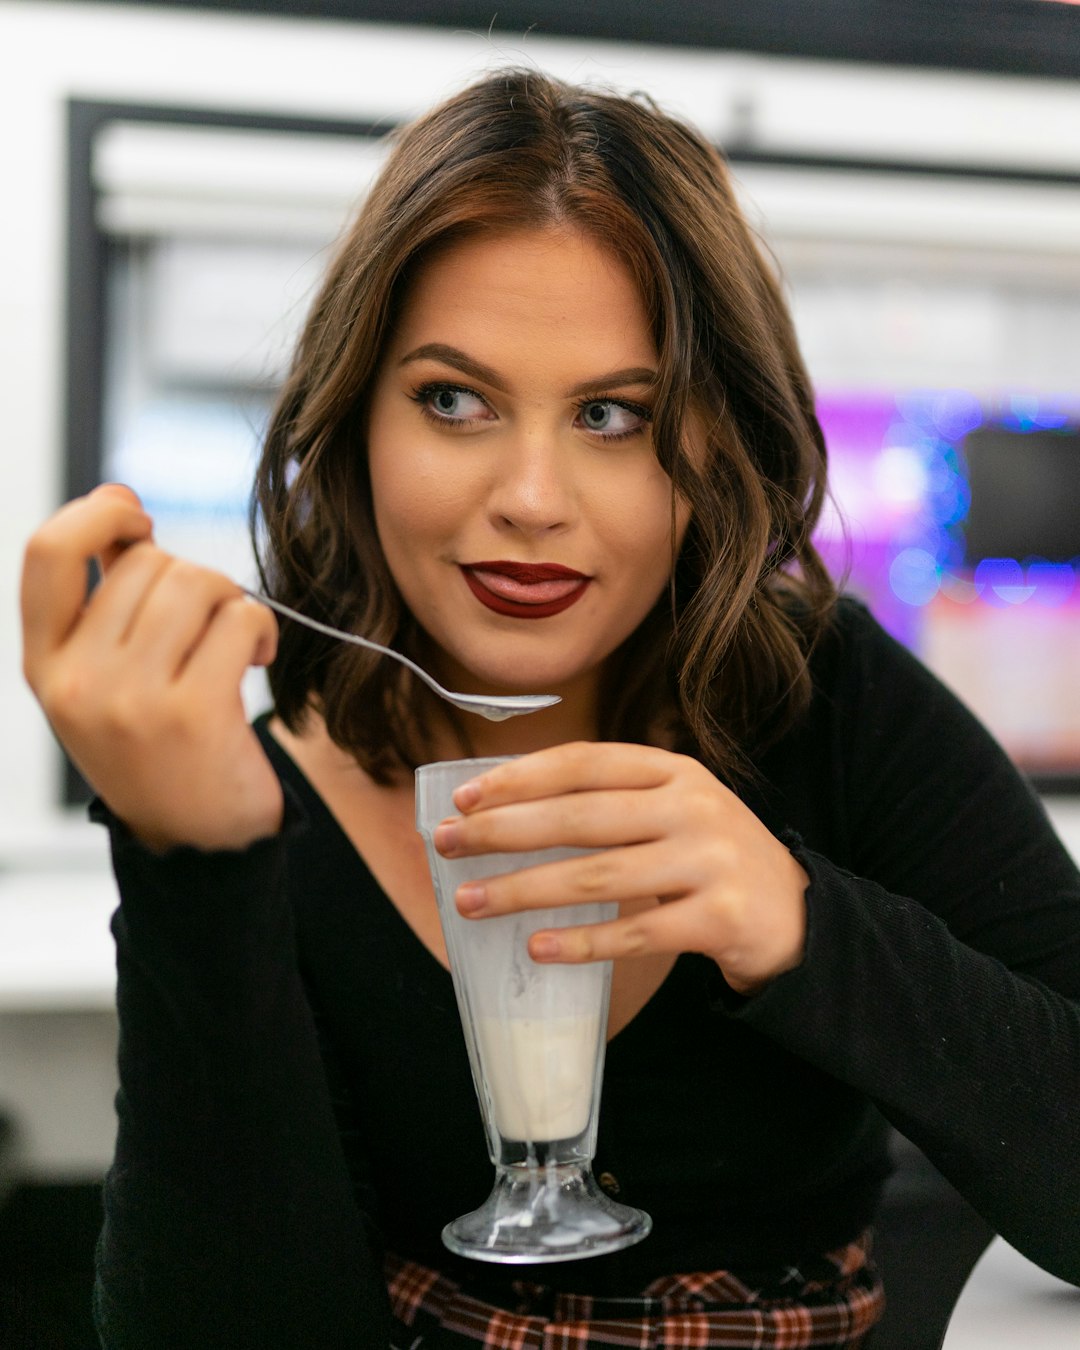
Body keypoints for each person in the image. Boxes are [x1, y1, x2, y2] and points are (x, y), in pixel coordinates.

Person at [19, 69, 1080, 1349]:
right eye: (452, 400)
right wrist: (197, 858)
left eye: (614, 415)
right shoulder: (254, 807)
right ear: (353, 420)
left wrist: (804, 923)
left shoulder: (819, 695)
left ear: (717, 448)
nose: (532, 495)